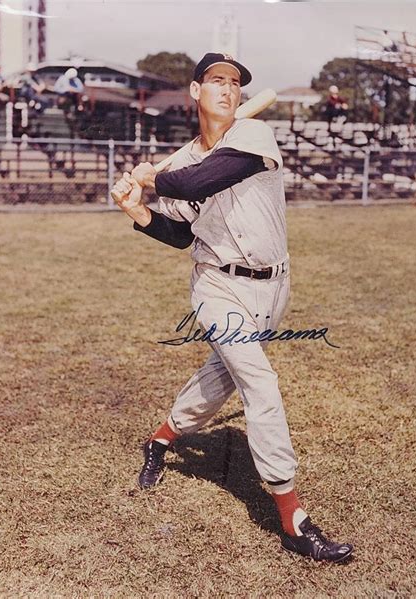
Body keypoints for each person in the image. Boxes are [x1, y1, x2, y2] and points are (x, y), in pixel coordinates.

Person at [111, 52, 354, 564]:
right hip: (216, 287)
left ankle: (158, 439)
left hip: (274, 287)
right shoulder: (182, 163)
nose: (228, 90)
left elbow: (198, 183)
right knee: (259, 382)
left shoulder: (252, 137)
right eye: (216, 81)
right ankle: (293, 516)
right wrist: (137, 211)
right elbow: (180, 234)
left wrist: (152, 175)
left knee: (221, 376)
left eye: (234, 83)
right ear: (195, 92)